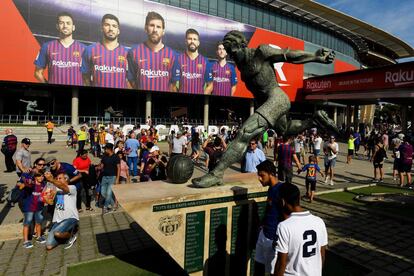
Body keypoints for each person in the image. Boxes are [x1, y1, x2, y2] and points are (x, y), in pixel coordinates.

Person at [192, 30, 335, 187]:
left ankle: (216, 174)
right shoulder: (241, 68)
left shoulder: (261, 52)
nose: (232, 57)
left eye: (233, 52)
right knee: (285, 130)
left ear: (241, 45)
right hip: (267, 104)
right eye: (230, 55)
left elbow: (288, 55)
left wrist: (315, 56)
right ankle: (314, 119)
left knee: (244, 133)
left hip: (277, 99)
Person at [274, 184, 328, 276]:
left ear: (282, 202)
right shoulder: (319, 222)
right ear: (298, 198)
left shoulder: (284, 226)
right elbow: (322, 255)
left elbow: (281, 264)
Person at [127, 12, 178, 92]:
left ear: (163, 31)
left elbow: (173, 85)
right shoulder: (134, 52)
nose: (155, 30)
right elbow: (130, 82)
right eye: (152, 25)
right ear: (145, 28)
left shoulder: (173, 55)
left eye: (158, 27)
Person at [34, 12, 85, 85]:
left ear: (73, 27)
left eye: (68, 23)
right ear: (57, 26)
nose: (65, 26)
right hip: (55, 95)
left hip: (76, 95)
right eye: (61, 23)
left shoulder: (84, 49)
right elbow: (37, 73)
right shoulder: (47, 46)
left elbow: (89, 76)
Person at [81, 14, 129, 88]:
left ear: (118, 31)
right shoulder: (89, 50)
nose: (111, 29)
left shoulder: (128, 53)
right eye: (107, 25)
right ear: (101, 28)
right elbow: (85, 77)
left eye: (114, 26)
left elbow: (131, 80)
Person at [254, 160, 283, 275]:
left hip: (273, 238)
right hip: (264, 234)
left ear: (271, 174)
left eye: (262, 175)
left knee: (271, 271)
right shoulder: (271, 188)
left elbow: (285, 216)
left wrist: (278, 238)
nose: (259, 178)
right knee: (258, 267)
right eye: (259, 175)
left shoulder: (281, 190)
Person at [44, 172, 79, 250]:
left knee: (57, 233)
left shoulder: (72, 187)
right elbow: (50, 201)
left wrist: (52, 180)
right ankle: (64, 236)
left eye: (60, 178)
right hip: (57, 220)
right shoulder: (56, 189)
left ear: (66, 179)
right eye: (57, 179)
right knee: (49, 246)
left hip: (70, 218)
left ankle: (71, 236)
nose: (58, 180)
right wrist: (47, 198)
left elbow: (64, 187)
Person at [174, 29, 213, 94]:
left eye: (195, 39)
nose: (192, 41)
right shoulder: (178, 59)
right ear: (185, 41)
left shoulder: (205, 61)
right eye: (190, 39)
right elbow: (173, 84)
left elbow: (210, 85)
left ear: (198, 43)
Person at [17, 171, 47, 248]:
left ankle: (39, 236)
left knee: (39, 222)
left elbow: (45, 195)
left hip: (39, 207)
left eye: (42, 176)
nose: (41, 177)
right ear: (35, 177)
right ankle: (26, 241)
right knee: (27, 223)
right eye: (39, 176)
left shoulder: (44, 184)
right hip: (29, 207)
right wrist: (23, 184)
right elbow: (21, 186)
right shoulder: (31, 184)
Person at [99, 143, 120, 214]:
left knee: (109, 193)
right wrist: (97, 168)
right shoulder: (104, 156)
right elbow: (101, 166)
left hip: (112, 177)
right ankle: (114, 204)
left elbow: (118, 168)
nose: (104, 150)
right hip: (104, 177)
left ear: (109, 149)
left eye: (105, 149)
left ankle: (105, 207)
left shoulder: (116, 157)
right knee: (103, 193)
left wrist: (117, 179)